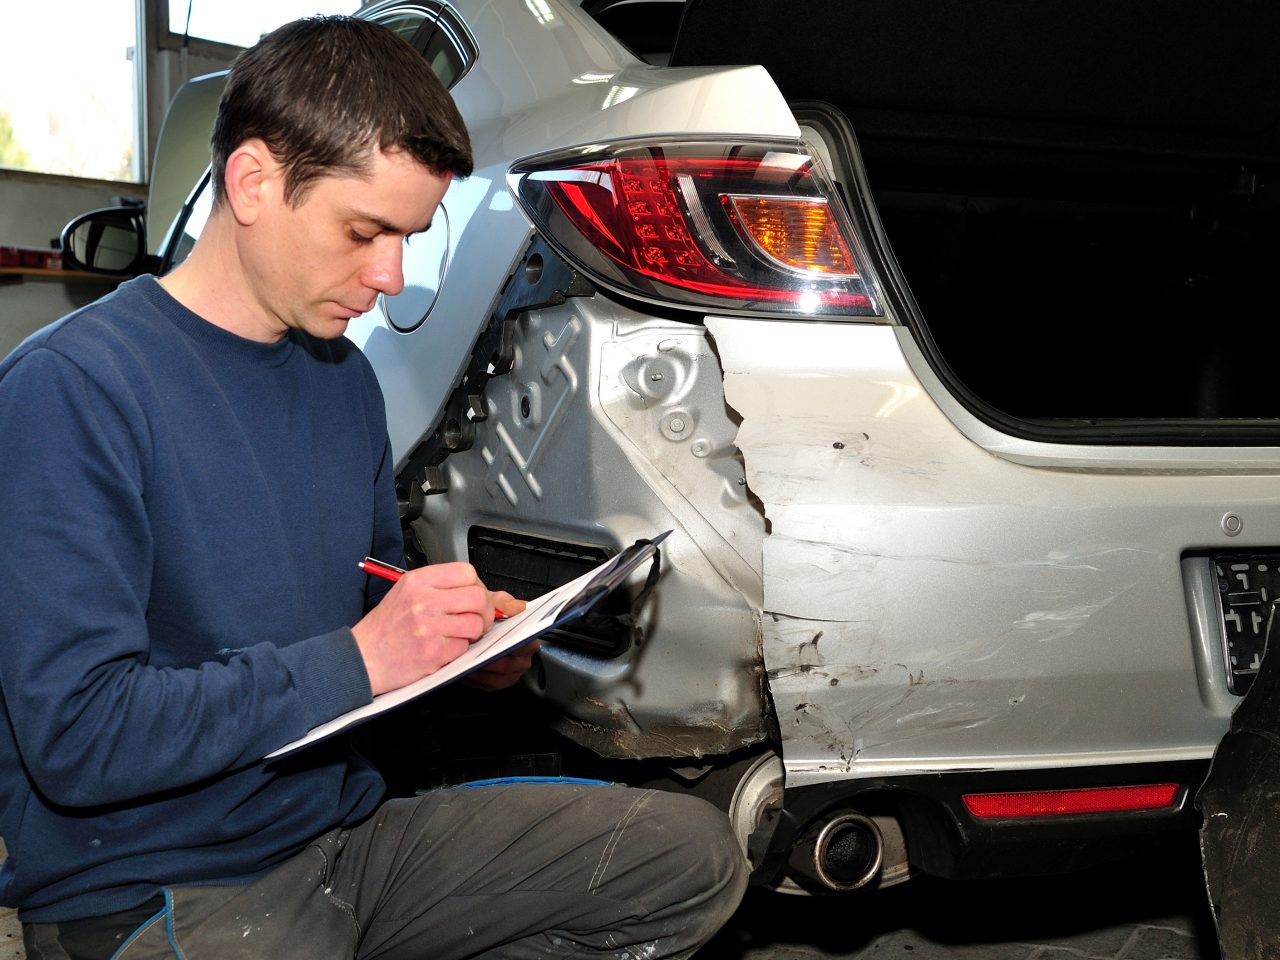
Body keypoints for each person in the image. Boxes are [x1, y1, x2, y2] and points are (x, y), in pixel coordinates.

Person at [0, 16, 746, 960]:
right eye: (365, 231)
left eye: (409, 237)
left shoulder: (342, 380)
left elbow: (369, 606)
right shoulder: (72, 389)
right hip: (160, 887)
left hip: (342, 841)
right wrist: (360, 659)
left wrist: (454, 651)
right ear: (254, 181)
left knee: (687, 860)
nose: (391, 277)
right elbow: (79, 737)